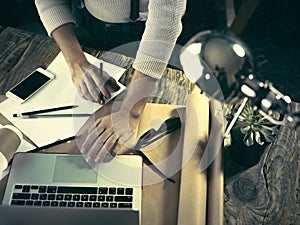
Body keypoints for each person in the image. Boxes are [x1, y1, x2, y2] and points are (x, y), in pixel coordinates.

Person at [35, 0, 187, 163]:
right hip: (86, 24)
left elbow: (166, 22)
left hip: (146, 34)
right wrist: (75, 62)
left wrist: (132, 111)